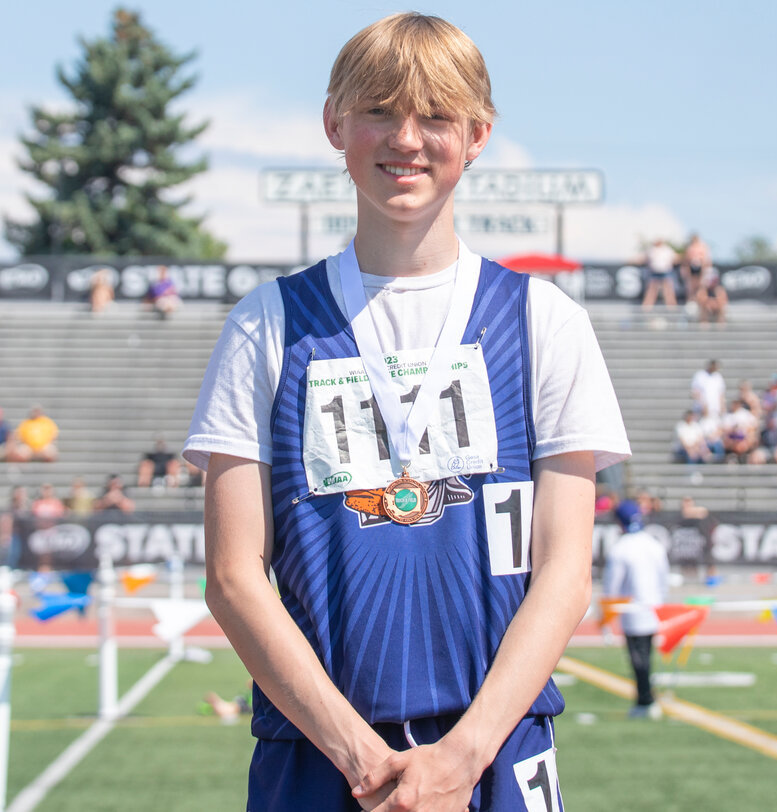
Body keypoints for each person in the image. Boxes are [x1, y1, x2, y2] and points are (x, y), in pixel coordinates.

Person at [184, 13, 631, 812]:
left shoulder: (545, 320)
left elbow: (564, 571)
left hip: (496, 751)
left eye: (436, 116)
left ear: (479, 133)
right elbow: (232, 574)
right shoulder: (267, 322)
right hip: (316, 754)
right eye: (381, 111)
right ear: (335, 124)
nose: (408, 138)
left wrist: (463, 755)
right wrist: (360, 756)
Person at [602, 500, 668, 719]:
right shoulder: (653, 543)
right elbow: (663, 578)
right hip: (653, 607)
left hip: (632, 610)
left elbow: (613, 585)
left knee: (638, 658)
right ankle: (647, 697)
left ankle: (645, 700)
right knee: (646, 655)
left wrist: (608, 616)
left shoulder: (621, 548)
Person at [641, 238, 679, 311]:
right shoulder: (651, 250)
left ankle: (672, 309)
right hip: (654, 273)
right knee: (651, 292)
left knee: (668, 292)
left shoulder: (667, 250)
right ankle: (646, 309)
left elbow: (675, 258)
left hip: (665, 273)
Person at [680, 233, 711, 302]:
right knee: (691, 286)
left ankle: (702, 301)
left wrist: (705, 269)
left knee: (701, 285)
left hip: (700, 267)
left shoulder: (702, 247)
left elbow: (706, 259)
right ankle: (691, 300)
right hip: (692, 267)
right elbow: (687, 259)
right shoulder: (690, 247)